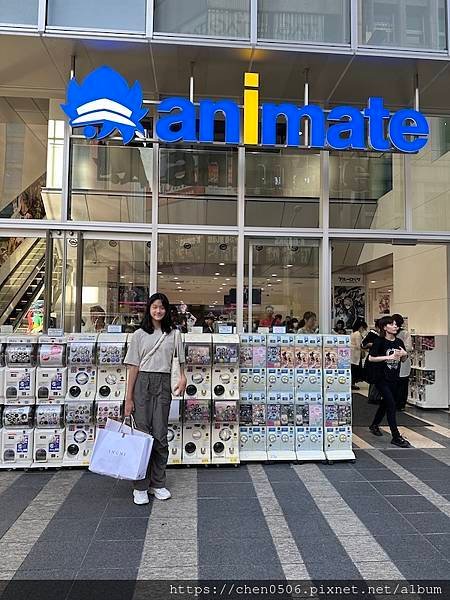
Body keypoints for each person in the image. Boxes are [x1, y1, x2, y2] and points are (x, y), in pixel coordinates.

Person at [124, 292, 187, 504]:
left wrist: (183, 378)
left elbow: (180, 363)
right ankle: (140, 486)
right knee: (142, 435)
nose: (158, 311)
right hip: (142, 383)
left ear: (167, 310)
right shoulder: (139, 334)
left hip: (163, 384)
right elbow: (133, 367)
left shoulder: (174, 334)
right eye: (154, 307)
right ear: (148, 309)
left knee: (160, 435)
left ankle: (157, 483)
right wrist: (128, 398)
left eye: (161, 307)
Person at [367, 315, 412, 448]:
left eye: (396, 325)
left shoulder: (399, 342)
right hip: (381, 378)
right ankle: (396, 436)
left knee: (385, 403)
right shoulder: (379, 341)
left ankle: (374, 424)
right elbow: (371, 358)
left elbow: (403, 360)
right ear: (385, 327)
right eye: (392, 324)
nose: (395, 326)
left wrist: (404, 355)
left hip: (394, 377)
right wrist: (388, 356)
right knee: (392, 404)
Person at [392, 313, 412, 411]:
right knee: (394, 383)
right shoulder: (390, 333)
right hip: (392, 362)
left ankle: (401, 404)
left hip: (403, 361)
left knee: (402, 384)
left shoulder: (405, 333)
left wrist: (399, 351)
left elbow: (408, 347)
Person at [350, 319, 367, 390]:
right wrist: (365, 349)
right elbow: (358, 345)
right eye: (364, 328)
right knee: (354, 370)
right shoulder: (357, 334)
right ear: (361, 327)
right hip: (355, 355)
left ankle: (352, 383)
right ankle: (352, 384)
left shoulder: (353, 333)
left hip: (353, 354)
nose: (364, 330)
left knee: (353, 369)